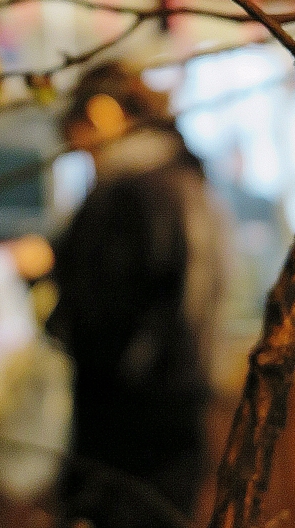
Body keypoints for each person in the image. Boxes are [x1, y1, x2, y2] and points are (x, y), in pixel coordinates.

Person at [48, 63, 230, 528]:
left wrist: (47, 287)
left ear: (104, 114)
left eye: (82, 145)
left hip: (127, 421)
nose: (87, 159)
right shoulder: (187, 180)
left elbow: (103, 312)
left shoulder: (130, 188)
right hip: (183, 408)